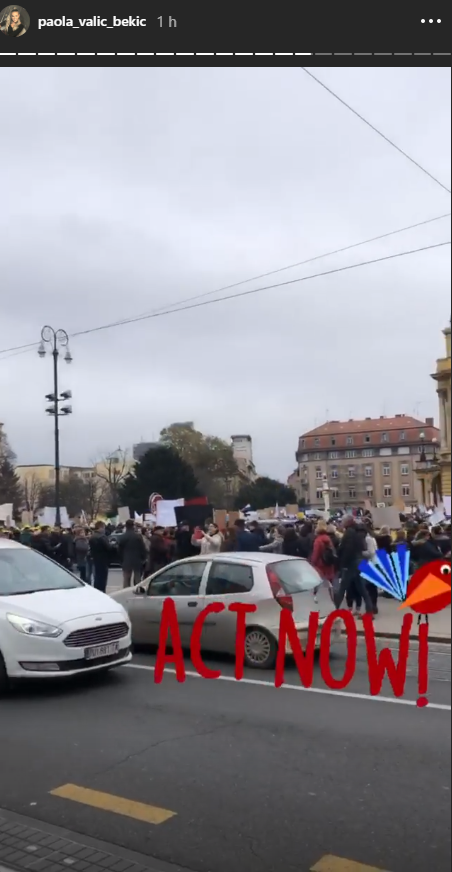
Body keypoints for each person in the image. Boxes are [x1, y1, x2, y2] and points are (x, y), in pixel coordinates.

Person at [335, 518, 374, 617]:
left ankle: (334, 610)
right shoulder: (359, 533)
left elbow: (347, 550)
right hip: (360, 561)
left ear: (347, 523)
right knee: (362, 589)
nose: (341, 523)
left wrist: (343, 564)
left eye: (343, 521)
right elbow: (363, 547)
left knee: (342, 588)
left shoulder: (349, 533)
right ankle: (370, 611)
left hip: (351, 563)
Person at [117, 519, 147, 588]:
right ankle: (138, 590)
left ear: (126, 526)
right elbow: (142, 548)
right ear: (133, 526)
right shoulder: (138, 536)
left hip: (126, 559)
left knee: (126, 578)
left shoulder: (122, 537)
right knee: (137, 578)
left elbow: (119, 550)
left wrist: (120, 560)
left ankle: (126, 591)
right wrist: (144, 558)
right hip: (137, 559)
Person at [311, 521, 337, 596]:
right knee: (329, 581)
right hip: (328, 563)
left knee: (318, 581)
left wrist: (312, 563)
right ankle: (331, 596)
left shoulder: (318, 540)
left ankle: (316, 596)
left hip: (320, 565)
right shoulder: (328, 539)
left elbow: (316, 554)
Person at [89, 521, 112, 592]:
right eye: (103, 528)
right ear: (100, 527)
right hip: (103, 559)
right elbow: (108, 547)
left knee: (97, 576)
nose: (104, 529)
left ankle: (97, 590)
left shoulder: (92, 536)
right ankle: (102, 590)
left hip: (95, 558)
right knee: (103, 577)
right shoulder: (102, 537)